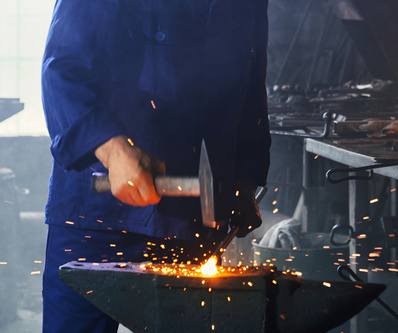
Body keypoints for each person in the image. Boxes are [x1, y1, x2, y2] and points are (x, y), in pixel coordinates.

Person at [41, 1, 271, 332]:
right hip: (96, 217)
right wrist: (113, 150)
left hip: (190, 220)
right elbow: (62, 69)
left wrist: (245, 179)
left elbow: (250, 89)